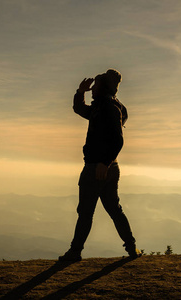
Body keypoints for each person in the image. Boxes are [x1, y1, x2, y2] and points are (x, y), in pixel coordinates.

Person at [59, 69, 140, 262]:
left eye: (95, 86)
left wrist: (104, 163)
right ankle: (132, 248)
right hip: (108, 168)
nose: (92, 88)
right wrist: (80, 92)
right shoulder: (107, 107)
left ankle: (75, 252)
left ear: (103, 88)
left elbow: (118, 140)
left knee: (86, 212)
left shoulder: (108, 108)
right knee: (113, 209)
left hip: (98, 167)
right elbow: (80, 110)